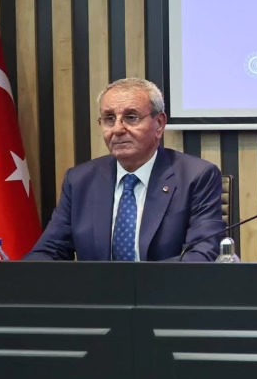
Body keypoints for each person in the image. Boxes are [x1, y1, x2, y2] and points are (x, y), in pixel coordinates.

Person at [26, 78, 225, 261]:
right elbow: (50, 251)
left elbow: (202, 255)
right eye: (109, 118)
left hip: (165, 288)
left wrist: (134, 282)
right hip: (95, 289)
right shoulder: (80, 180)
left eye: (131, 117)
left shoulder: (196, 177)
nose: (117, 129)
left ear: (159, 124)